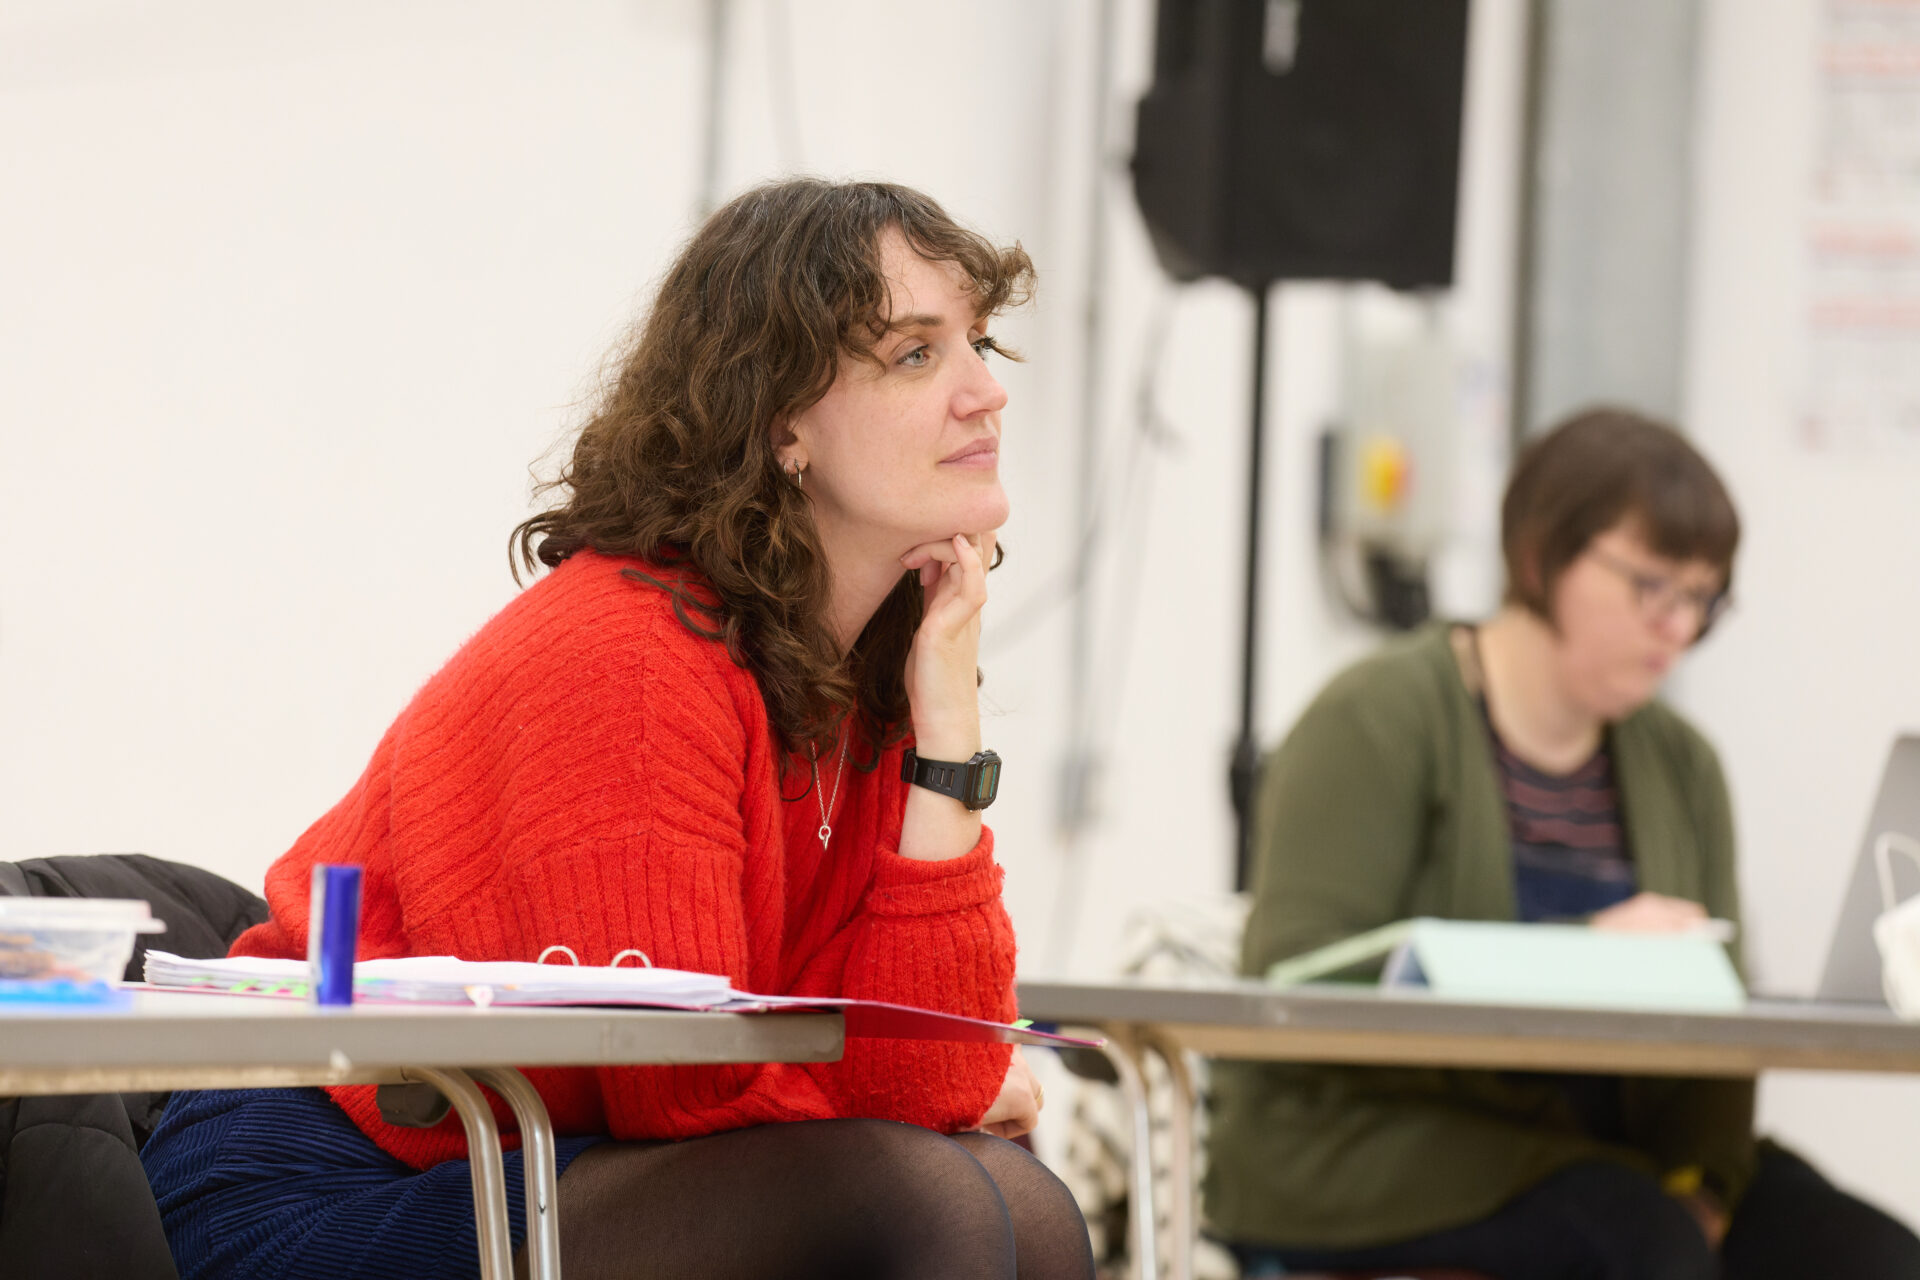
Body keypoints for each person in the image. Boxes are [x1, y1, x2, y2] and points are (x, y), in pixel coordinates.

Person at [141, 178, 1096, 1280]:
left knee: (1023, 1208)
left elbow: (925, 1070)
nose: (987, 392)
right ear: (783, 419)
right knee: (917, 1202)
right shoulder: (631, 657)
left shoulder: (875, 667)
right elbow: (686, 1088)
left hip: (552, 1154)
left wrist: (945, 746)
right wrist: (942, 1092)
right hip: (330, 1170)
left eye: (978, 343)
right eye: (918, 355)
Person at [1206, 408, 1920, 1279]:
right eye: (1652, 587)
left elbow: (1724, 1036)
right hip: (1362, 1150)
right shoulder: (1376, 720)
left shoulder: (1683, 766)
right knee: (1637, 1238)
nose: (1679, 628)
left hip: (1611, 1154)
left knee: (1875, 1257)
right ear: (1541, 558)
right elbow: (1298, 982)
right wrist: (1582, 956)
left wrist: (1708, 1186)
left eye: (1702, 598)